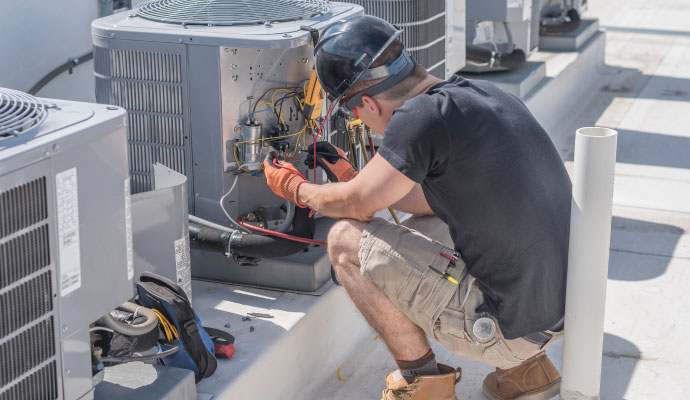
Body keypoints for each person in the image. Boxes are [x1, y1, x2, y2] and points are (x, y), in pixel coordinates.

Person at [263, 15, 571, 400]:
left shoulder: (419, 118)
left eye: (352, 113)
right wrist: (352, 178)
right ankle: (527, 373)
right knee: (430, 216)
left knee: (345, 242)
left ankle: (425, 387)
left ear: (368, 104)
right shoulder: (478, 95)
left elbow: (359, 206)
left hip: (504, 332)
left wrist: (298, 188)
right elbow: (427, 198)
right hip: (556, 315)